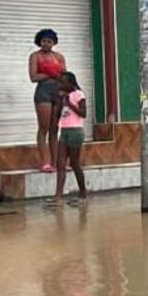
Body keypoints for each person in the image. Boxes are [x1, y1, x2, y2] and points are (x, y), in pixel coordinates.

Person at [29, 29, 66, 172]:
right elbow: (33, 77)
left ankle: (56, 162)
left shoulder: (59, 57)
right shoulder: (35, 56)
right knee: (43, 127)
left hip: (57, 92)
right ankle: (45, 161)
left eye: (49, 41)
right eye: (44, 41)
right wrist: (49, 73)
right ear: (39, 41)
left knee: (54, 128)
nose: (46, 44)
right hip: (43, 92)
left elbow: (65, 76)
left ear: (54, 43)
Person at [54, 71, 88, 203]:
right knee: (60, 164)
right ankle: (58, 195)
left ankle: (83, 192)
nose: (60, 85)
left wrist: (70, 104)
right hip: (64, 130)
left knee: (74, 163)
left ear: (70, 83)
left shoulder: (79, 95)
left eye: (62, 82)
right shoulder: (63, 96)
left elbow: (83, 113)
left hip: (75, 131)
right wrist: (60, 102)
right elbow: (58, 115)